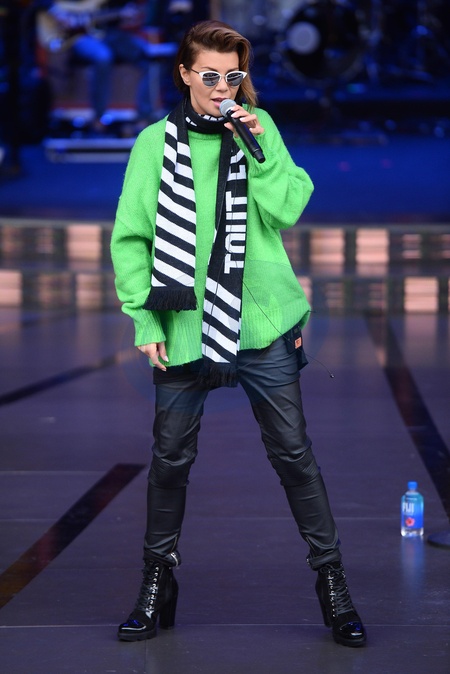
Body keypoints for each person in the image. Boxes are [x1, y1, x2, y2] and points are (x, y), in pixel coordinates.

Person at [111, 19, 367, 648]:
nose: (222, 86)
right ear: (184, 74)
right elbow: (132, 239)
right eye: (209, 75)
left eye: (233, 76)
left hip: (262, 321)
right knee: (170, 460)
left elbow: (287, 208)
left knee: (293, 455)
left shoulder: (259, 127)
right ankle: (156, 582)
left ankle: (333, 584)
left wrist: (258, 148)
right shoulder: (153, 145)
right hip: (183, 324)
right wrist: (144, 318)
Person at [34, 0, 176, 132]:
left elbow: (114, 15)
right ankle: (99, 118)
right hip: (78, 36)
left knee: (151, 58)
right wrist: (58, 13)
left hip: (109, 33)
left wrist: (124, 16)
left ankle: (144, 118)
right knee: (103, 56)